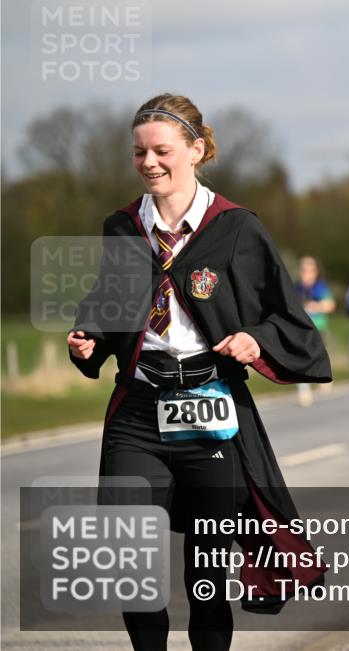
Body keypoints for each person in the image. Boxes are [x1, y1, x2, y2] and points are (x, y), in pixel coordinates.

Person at [66, 94, 332, 651]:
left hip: (209, 412)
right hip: (138, 413)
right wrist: (88, 341)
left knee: (207, 573)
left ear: (196, 149)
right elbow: (112, 309)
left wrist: (253, 339)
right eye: (138, 152)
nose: (148, 163)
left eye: (161, 150)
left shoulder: (235, 228)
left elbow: (289, 319)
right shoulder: (121, 228)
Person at [295, 256, 336, 407]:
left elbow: (330, 305)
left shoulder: (320, 287)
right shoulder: (296, 287)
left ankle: (323, 376)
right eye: (304, 270)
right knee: (300, 358)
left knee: (319, 354)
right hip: (302, 328)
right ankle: (303, 390)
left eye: (310, 270)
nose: (307, 274)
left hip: (319, 327)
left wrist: (316, 306)